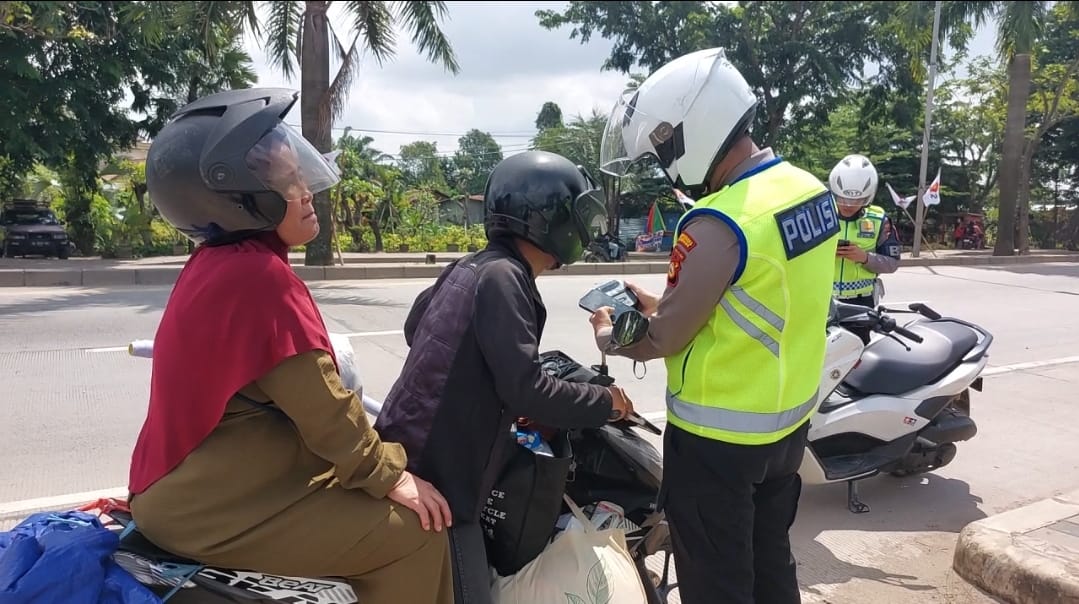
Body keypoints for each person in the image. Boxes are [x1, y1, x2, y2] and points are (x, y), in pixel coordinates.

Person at [126, 88, 454, 604]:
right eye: (285, 180)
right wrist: (392, 474)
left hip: (196, 490)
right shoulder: (258, 278)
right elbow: (324, 409)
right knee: (416, 533)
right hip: (212, 507)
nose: (305, 190)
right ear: (235, 196)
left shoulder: (219, 265)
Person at [590, 48, 839, 604]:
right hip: (786, 430)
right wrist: (662, 301)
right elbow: (759, 296)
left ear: (692, 133)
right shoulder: (809, 190)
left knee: (716, 582)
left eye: (663, 147)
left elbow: (665, 338)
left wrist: (612, 335)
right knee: (771, 560)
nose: (664, 162)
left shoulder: (718, 219)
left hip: (717, 445)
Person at [373, 149, 636, 603]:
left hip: (409, 451)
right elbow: (527, 388)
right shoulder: (505, 278)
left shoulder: (471, 266)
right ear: (549, 218)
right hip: (443, 483)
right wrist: (606, 401)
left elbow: (419, 329)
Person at [828, 154, 902, 309]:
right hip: (823, 298)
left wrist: (864, 257)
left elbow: (892, 263)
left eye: (857, 200)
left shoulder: (879, 220)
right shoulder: (819, 215)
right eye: (842, 199)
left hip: (861, 302)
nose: (848, 205)